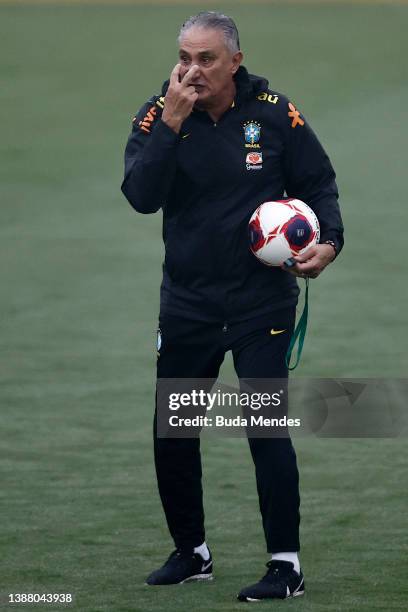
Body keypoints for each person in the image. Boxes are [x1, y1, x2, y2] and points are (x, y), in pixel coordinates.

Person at [121, 11, 344, 602]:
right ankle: (191, 553)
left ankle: (285, 566)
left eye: (207, 59)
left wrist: (329, 242)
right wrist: (169, 123)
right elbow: (141, 197)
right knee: (175, 429)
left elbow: (318, 184)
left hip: (259, 304)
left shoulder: (273, 113)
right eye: (185, 58)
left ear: (235, 62)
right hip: (188, 303)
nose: (192, 71)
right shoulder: (160, 111)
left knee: (265, 429)